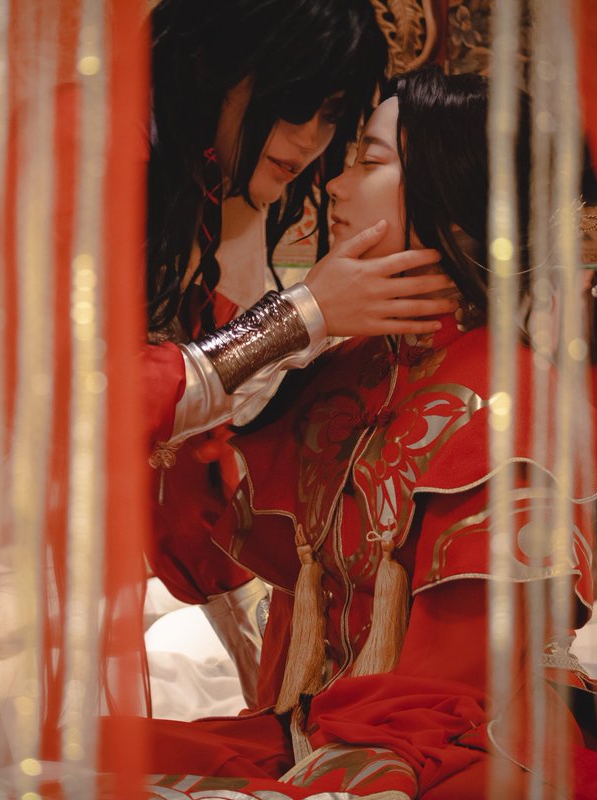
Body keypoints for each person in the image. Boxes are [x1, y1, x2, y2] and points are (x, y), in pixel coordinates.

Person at [122, 66, 597, 797]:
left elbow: (456, 692)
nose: (333, 186)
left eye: (369, 161)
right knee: (75, 751)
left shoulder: (510, 409)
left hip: (444, 740)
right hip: (315, 729)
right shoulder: (349, 364)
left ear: (455, 196)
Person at [139, 0, 457, 708]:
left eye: (354, 144)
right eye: (296, 104)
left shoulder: (495, 395)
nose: (320, 157)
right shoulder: (146, 166)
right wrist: (303, 316)